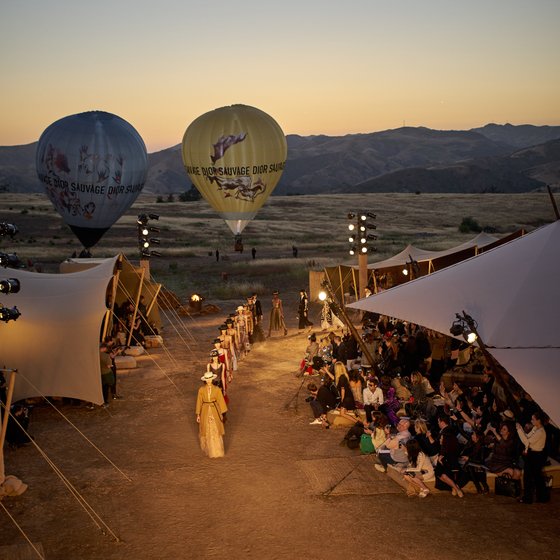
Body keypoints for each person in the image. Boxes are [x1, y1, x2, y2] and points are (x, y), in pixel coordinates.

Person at [516, 411, 548, 503]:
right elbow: (526, 437)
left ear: (539, 420)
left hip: (536, 456)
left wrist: (519, 430)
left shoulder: (541, 432)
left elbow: (527, 441)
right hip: (532, 455)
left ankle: (531, 498)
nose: (531, 420)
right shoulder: (535, 428)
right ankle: (540, 497)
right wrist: (521, 429)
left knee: (532, 477)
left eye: (533, 419)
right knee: (534, 477)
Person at [195, 371, 228, 458]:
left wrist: (223, 414)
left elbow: (221, 401)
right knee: (207, 429)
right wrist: (198, 414)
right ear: (205, 380)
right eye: (207, 379)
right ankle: (210, 450)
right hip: (205, 411)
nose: (209, 381)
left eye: (210, 379)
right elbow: (199, 402)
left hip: (215, 411)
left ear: (212, 379)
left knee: (216, 429)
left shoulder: (217, 390)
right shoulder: (201, 390)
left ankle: (217, 451)